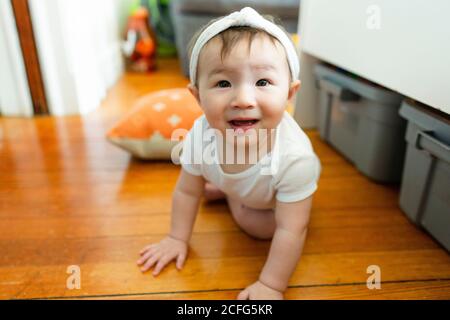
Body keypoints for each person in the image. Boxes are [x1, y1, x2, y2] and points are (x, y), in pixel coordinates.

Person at [137, 7, 322, 300]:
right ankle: (229, 191)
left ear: (289, 93)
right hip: (245, 187)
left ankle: (231, 194)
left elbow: (291, 229)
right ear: (197, 97)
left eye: (263, 82)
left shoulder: (294, 159)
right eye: (223, 83)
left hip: (270, 204)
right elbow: (186, 192)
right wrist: (176, 237)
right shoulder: (200, 134)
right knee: (203, 185)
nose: (244, 100)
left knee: (261, 227)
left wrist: (271, 285)